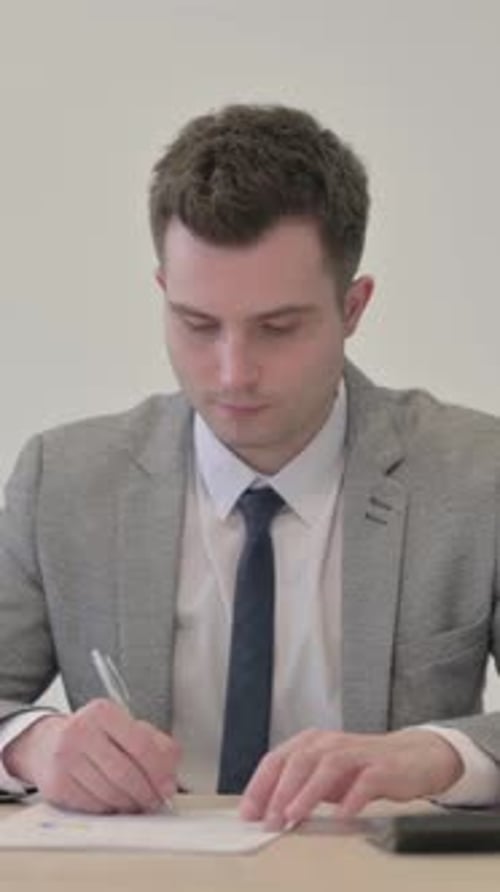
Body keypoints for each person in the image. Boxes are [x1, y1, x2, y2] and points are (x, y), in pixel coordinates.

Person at [0, 104, 499, 830]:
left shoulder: (476, 477)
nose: (234, 373)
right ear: (163, 295)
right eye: (198, 324)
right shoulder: (64, 481)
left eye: (278, 327)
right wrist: (30, 743)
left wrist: (440, 754)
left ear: (354, 307)